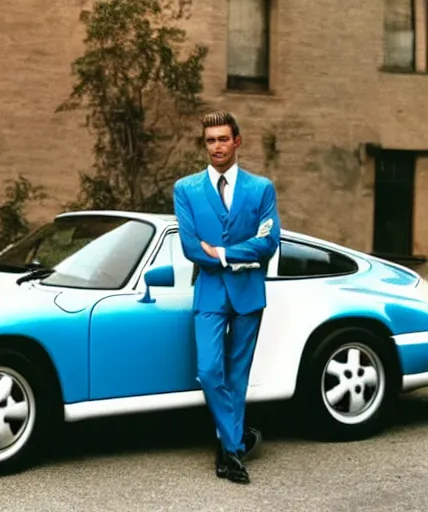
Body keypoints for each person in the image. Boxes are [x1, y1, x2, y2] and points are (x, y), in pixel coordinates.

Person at [172, 111, 281, 484]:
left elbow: (268, 242)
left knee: (238, 374)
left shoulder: (260, 188)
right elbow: (190, 247)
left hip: (249, 294)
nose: (216, 147)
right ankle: (236, 441)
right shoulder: (185, 189)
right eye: (209, 141)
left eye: (222, 139)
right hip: (209, 294)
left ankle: (228, 452)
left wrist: (221, 253)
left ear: (237, 141)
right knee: (208, 370)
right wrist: (234, 253)